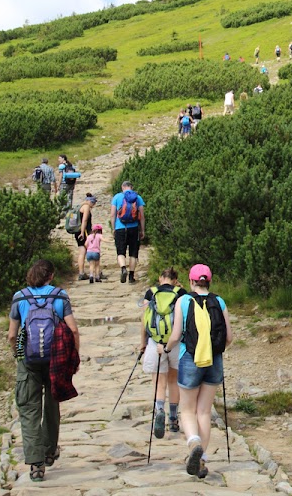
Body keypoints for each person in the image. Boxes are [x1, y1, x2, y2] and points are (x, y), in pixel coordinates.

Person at [7, 259, 80, 483]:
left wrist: (18, 354)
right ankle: (49, 451)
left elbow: (12, 335)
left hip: (28, 361)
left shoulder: (19, 297)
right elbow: (73, 330)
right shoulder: (60, 296)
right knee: (51, 405)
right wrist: (73, 358)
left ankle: (36, 465)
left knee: (29, 411)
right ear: (51, 275)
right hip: (55, 359)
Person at [160, 264, 233, 479]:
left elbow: (176, 335)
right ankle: (201, 460)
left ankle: (193, 444)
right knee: (204, 412)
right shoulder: (219, 301)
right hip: (214, 361)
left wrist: (166, 349)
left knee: (188, 410)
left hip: (190, 359)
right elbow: (229, 337)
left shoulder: (183, 301)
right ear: (209, 281)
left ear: (191, 282)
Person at [140, 268, 187, 438]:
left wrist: (143, 344)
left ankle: (159, 410)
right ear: (175, 280)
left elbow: (144, 319)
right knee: (174, 381)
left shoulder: (151, 293)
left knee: (159, 382)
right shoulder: (181, 293)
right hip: (175, 342)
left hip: (155, 342)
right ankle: (173, 419)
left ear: (160, 278)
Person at [110, 181, 146, 284]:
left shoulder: (117, 197)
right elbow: (142, 216)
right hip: (134, 228)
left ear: (122, 187)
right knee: (133, 253)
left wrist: (113, 228)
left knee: (120, 252)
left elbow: (112, 215)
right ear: (132, 187)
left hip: (120, 228)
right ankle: (131, 276)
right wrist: (142, 230)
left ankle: (123, 268)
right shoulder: (138, 198)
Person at [75, 194, 97, 280]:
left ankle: (81, 273)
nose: (93, 206)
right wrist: (82, 232)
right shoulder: (86, 207)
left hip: (77, 232)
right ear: (90, 202)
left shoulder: (80, 206)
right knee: (93, 250)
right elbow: (84, 220)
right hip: (84, 232)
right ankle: (96, 272)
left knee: (82, 252)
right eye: (93, 203)